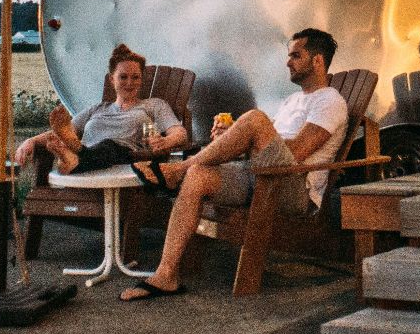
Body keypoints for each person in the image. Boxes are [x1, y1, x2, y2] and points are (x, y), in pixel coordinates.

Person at [119, 28, 347, 300]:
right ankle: (166, 275)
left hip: (293, 187)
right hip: (259, 175)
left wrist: (248, 136)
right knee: (199, 174)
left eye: (296, 55)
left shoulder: (331, 100)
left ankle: (176, 169)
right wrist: (229, 140)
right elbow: (265, 146)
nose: (288, 62)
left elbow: (296, 152)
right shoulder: (292, 101)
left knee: (253, 119)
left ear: (318, 61)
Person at [14, 44, 186, 178]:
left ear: (142, 79)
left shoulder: (154, 105)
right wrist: (31, 141)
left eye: (136, 77)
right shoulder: (97, 109)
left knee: (109, 145)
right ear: (112, 79)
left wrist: (167, 141)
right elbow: (63, 132)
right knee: (85, 144)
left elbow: (179, 133)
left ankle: (74, 155)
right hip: (89, 161)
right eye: (123, 77)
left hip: (124, 159)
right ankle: (75, 155)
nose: (130, 83)